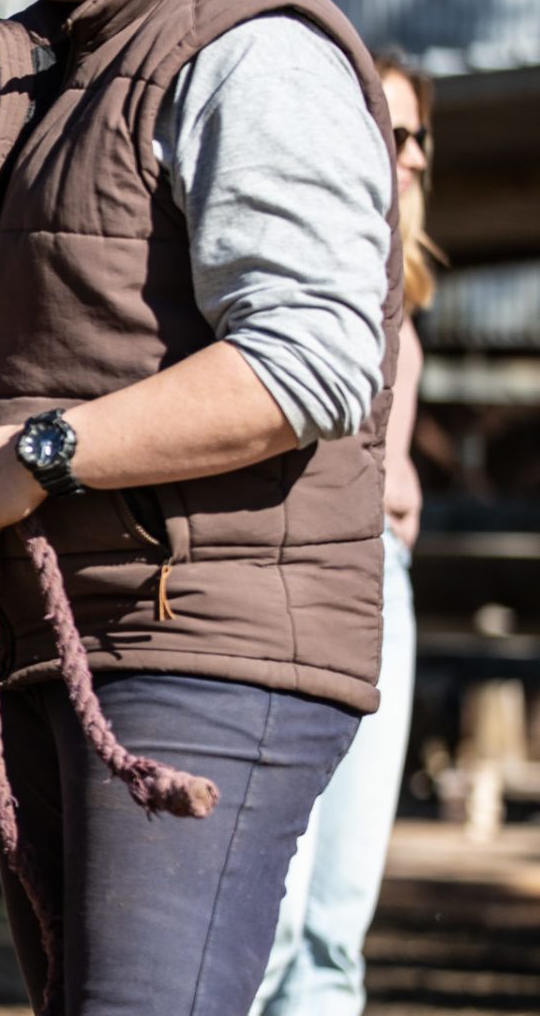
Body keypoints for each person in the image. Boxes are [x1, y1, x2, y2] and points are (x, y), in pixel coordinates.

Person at [0, 0, 399, 1011]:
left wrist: (45, 453)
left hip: (201, 646)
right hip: (78, 631)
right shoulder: (80, 53)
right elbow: (24, 268)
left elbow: (312, 355)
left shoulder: (254, 46)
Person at [255, 55, 439, 1015]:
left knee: (335, 926)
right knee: (270, 918)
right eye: (386, 131)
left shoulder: (400, 290)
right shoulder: (294, 264)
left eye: (414, 138)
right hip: (310, 580)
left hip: (385, 580)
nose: (402, 157)